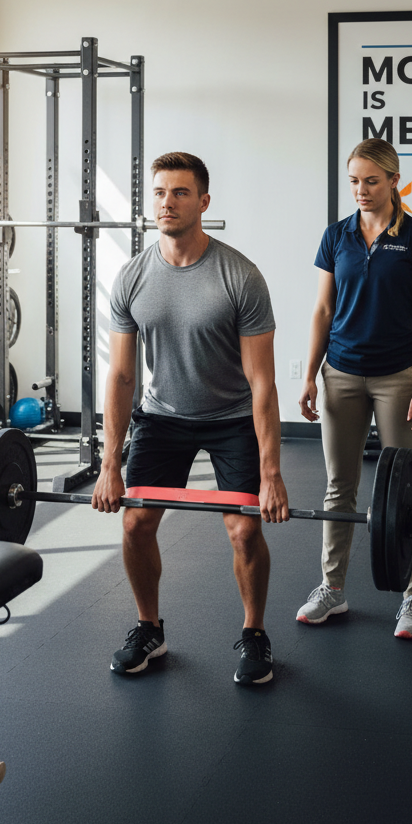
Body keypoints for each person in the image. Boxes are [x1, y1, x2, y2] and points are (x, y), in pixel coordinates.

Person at [92, 151, 289, 685]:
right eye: (159, 192)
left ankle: (254, 633)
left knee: (244, 530)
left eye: (179, 192)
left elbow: (262, 382)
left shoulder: (240, 276)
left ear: (203, 202)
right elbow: (122, 379)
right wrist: (109, 462)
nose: (167, 202)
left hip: (232, 416)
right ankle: (148, 628)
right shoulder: (132, 277)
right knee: (135, 522)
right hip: (164, 416)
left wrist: (272, 475)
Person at [297, 138, 412, 639]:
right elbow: (322, 311)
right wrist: (310, 374)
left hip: (398, 376)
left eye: (371, 181)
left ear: (393, 181)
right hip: (341, 373)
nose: (361, 190)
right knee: (340, 486)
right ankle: (332, 588)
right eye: (354, 181)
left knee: (408, 491)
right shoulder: (336, 236)